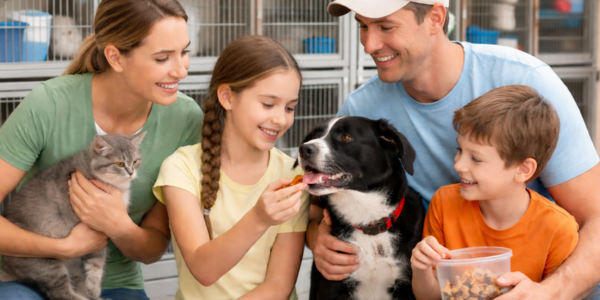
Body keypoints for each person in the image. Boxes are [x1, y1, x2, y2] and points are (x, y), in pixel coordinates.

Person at [307, 0, 600, 299]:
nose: (369, 44)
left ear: (435, 18)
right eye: (362, 26)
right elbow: (318, 208)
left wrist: (549, 293)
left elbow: (597, 216)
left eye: (385, 26)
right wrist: (317, 237)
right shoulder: (360, 112)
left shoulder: (528, 81)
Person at [0, 0, 203, 299]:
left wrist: (119, 226)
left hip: (114, 279)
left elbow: (153, 248)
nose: (181, 71)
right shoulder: (50, 104)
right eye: (163, 58)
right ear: (115, 58)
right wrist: (63, 248)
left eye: (184, 52)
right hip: (28, 272)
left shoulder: (185, 119)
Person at [152, 35, 310, 300]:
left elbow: (279, 285)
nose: (280, 119)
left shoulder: (292, 174)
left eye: (290, 107)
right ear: (227, 97)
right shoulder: (181, 168)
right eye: (268, 104)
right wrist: (259, 218)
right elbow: (203, 269)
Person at [410, 85, 579, 299]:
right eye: (459, 150)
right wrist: (421, 268)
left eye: (476, 158)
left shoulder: (558, 229)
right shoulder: (444, 202)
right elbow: (432, 296)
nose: (458, 165)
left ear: (523, 169)